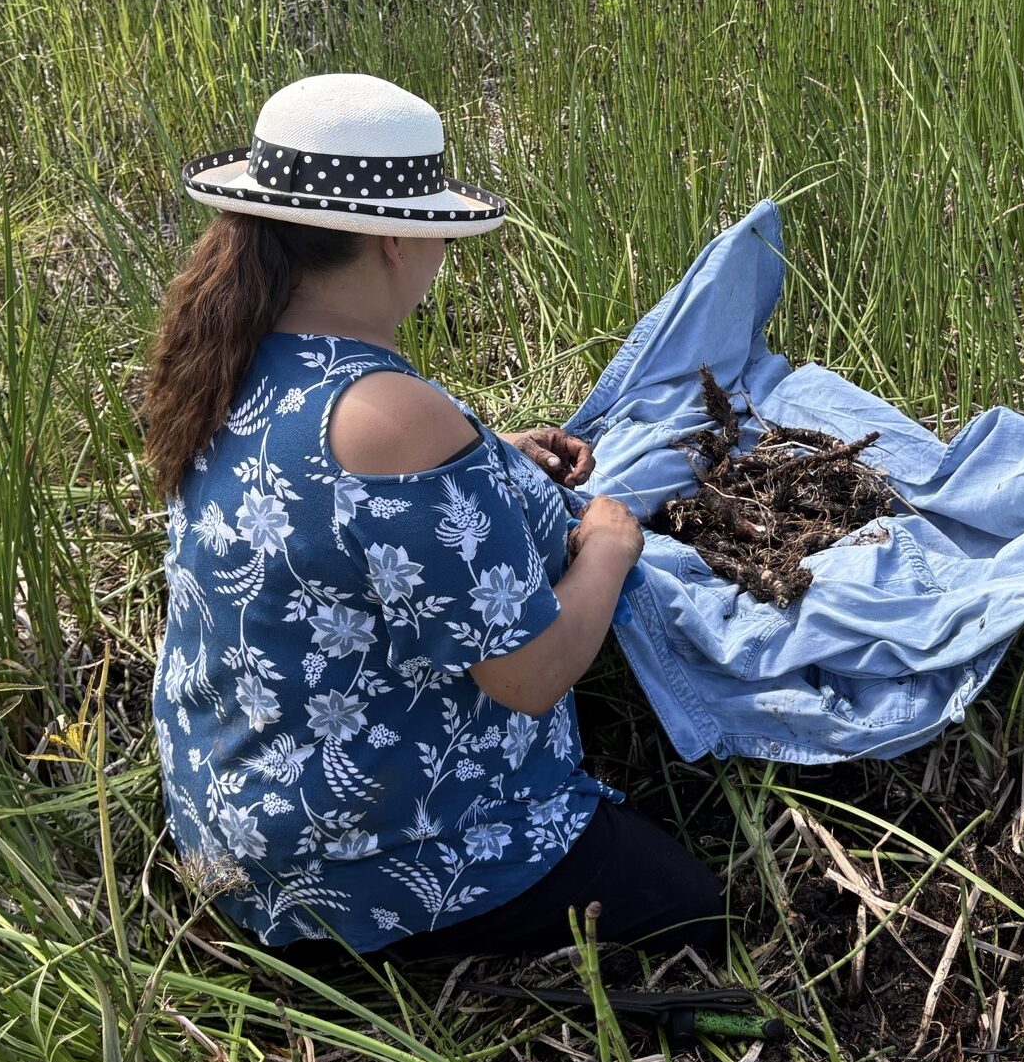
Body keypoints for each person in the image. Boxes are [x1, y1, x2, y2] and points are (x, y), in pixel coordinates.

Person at [141, 72, 726, 967]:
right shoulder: (389, 415)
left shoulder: (231, 351)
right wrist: (609, 545)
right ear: (390, 240)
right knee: (695, 911)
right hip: (352, 872)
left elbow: (338, 503)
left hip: (233, 820)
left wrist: (492, 460)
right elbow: (528, 679)